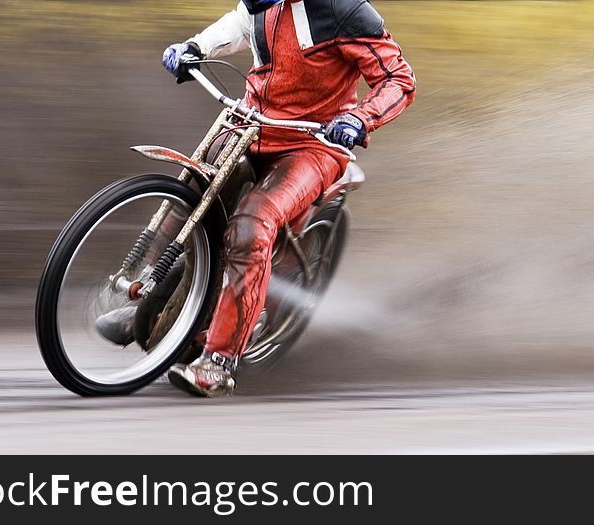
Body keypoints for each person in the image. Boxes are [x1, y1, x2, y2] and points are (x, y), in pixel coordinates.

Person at [162, 0, 416, 396]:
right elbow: (242, 24)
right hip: (251, 124)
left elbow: (398, 79)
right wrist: (195, 46)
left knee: (251, 225)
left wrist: (358, 119)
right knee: (191, 189)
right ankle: (144, 293)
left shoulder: (345, 11)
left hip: (313, 145)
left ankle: (219, 362)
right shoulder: (265, 4)